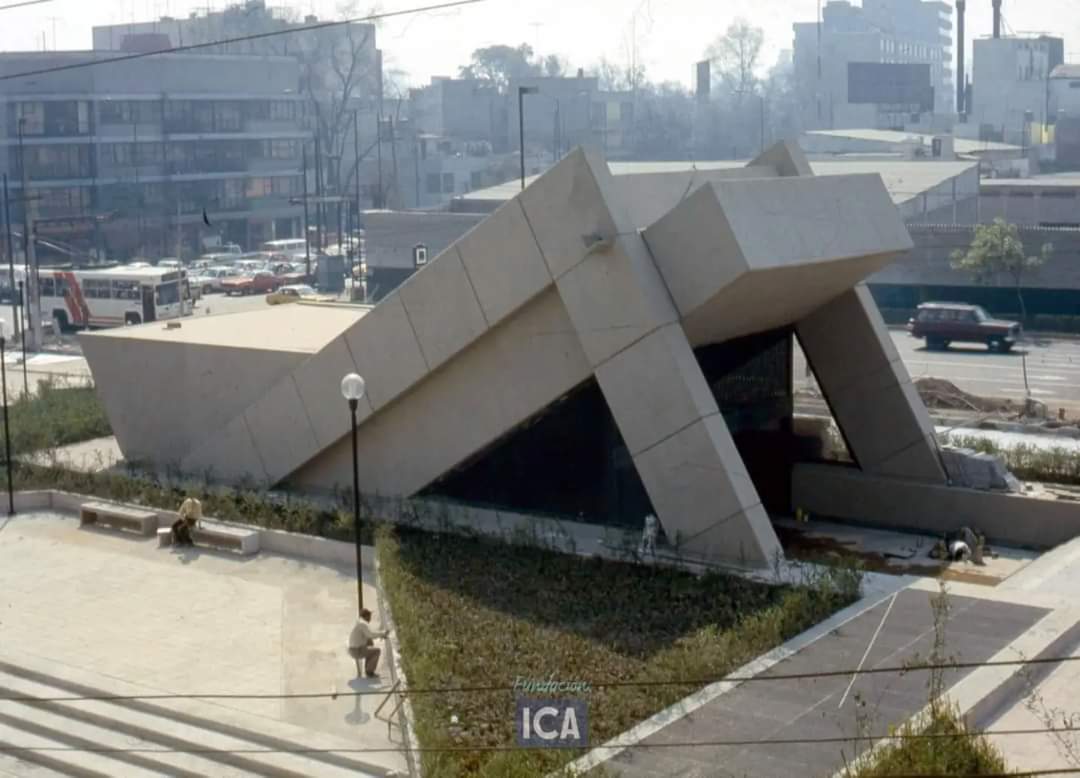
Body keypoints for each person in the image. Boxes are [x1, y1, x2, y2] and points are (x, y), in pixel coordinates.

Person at [348, 609, 389, 678]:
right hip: (356, 651)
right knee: (377, 651)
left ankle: (368, 668)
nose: (370, 619)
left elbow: (369, 634)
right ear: (366, 616)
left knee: (370, 643)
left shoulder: (359, 622)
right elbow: (371, 634)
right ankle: (369, 672)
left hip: (353, 649)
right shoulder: (363, 624)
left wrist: (380, 635)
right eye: (369, 617)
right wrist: (382, 634)